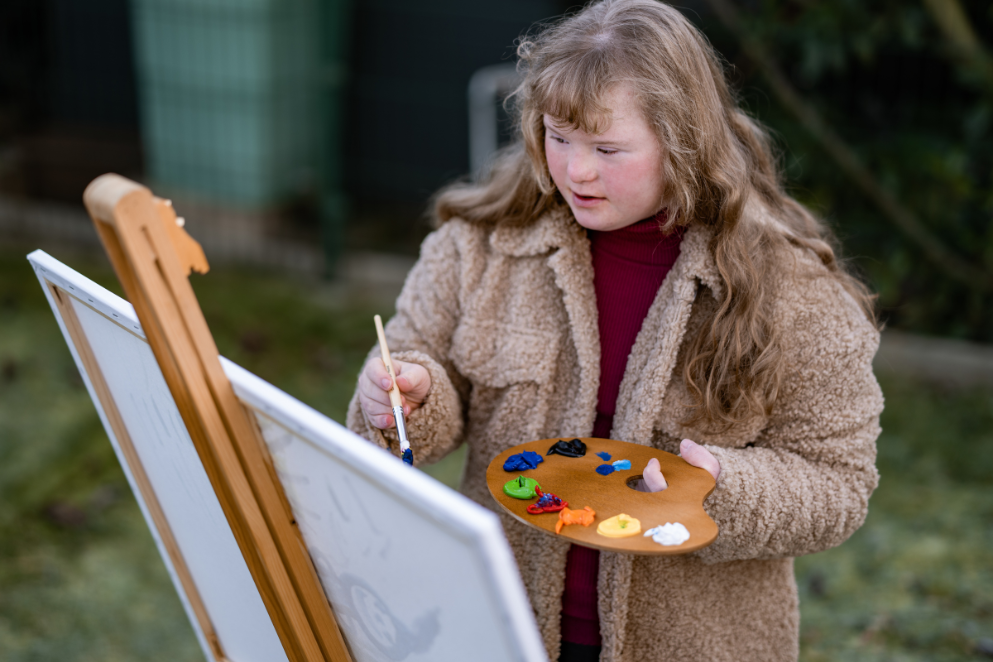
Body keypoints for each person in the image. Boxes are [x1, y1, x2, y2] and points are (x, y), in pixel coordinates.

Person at [348, 1, 882, 660]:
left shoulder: (793, 293)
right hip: (500, 632)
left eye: (607, 148)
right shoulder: (477, 247)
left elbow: (837, 483)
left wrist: (719, 487)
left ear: (683, 143)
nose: (576, 170)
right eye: (558, 136)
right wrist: (407, 393)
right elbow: (418, 368)